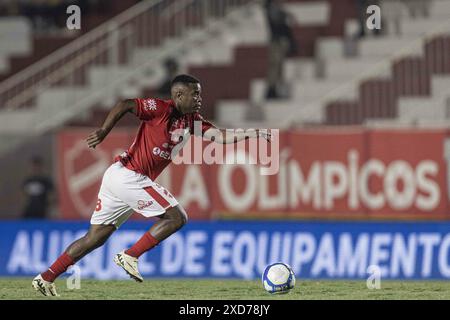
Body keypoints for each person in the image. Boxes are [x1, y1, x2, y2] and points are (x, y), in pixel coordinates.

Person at [32, 74, 271, 296]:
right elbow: (125, 104)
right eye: (195, 94)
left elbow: (220, 137)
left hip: (118, 177)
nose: (200, 99)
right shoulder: (160, 109)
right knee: (177, 217)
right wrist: (104, 130)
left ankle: (46, 277)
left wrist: (253, 132)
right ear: (179, 96)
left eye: (200, 94)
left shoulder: (192, 121)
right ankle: (130, 255)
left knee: (94, 238)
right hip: (129, 176)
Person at [264, 0, 297, 99]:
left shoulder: (275, 7)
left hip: (279, 41)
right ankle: (271, 91)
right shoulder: (271, 7)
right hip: (276, 42)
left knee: (278, 67)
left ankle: (274, 90)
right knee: (275, 66)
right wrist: (286, 15)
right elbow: (277, 20)